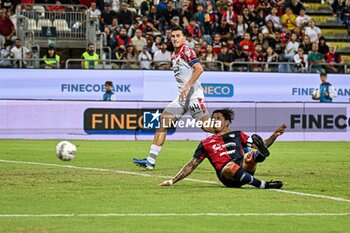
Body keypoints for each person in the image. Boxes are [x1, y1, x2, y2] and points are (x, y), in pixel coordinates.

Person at [133, 26, 212, 170]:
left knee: (208, 127)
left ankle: (245, 142)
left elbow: (199, 68)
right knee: (163, 122)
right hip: (182, 99)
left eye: (178, 35)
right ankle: (150, 160)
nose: (175, 38)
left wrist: (187, 86)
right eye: (173, 36)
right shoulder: (174, 55)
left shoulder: (186, 50)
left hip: (193, 97)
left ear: (184, 38)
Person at [160, 108, 285, 189]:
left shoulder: (237, 134)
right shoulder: (205, 143)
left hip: (244, 168)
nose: (214, 121)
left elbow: (262, 144)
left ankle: (260, 155)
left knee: (249, 156)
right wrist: (172, 181)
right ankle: (263, 185)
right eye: (212, 119)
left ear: (227, 122)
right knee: (231, 166)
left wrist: (274, 135)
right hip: (227, 176)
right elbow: (192, 165)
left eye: (218, 118)